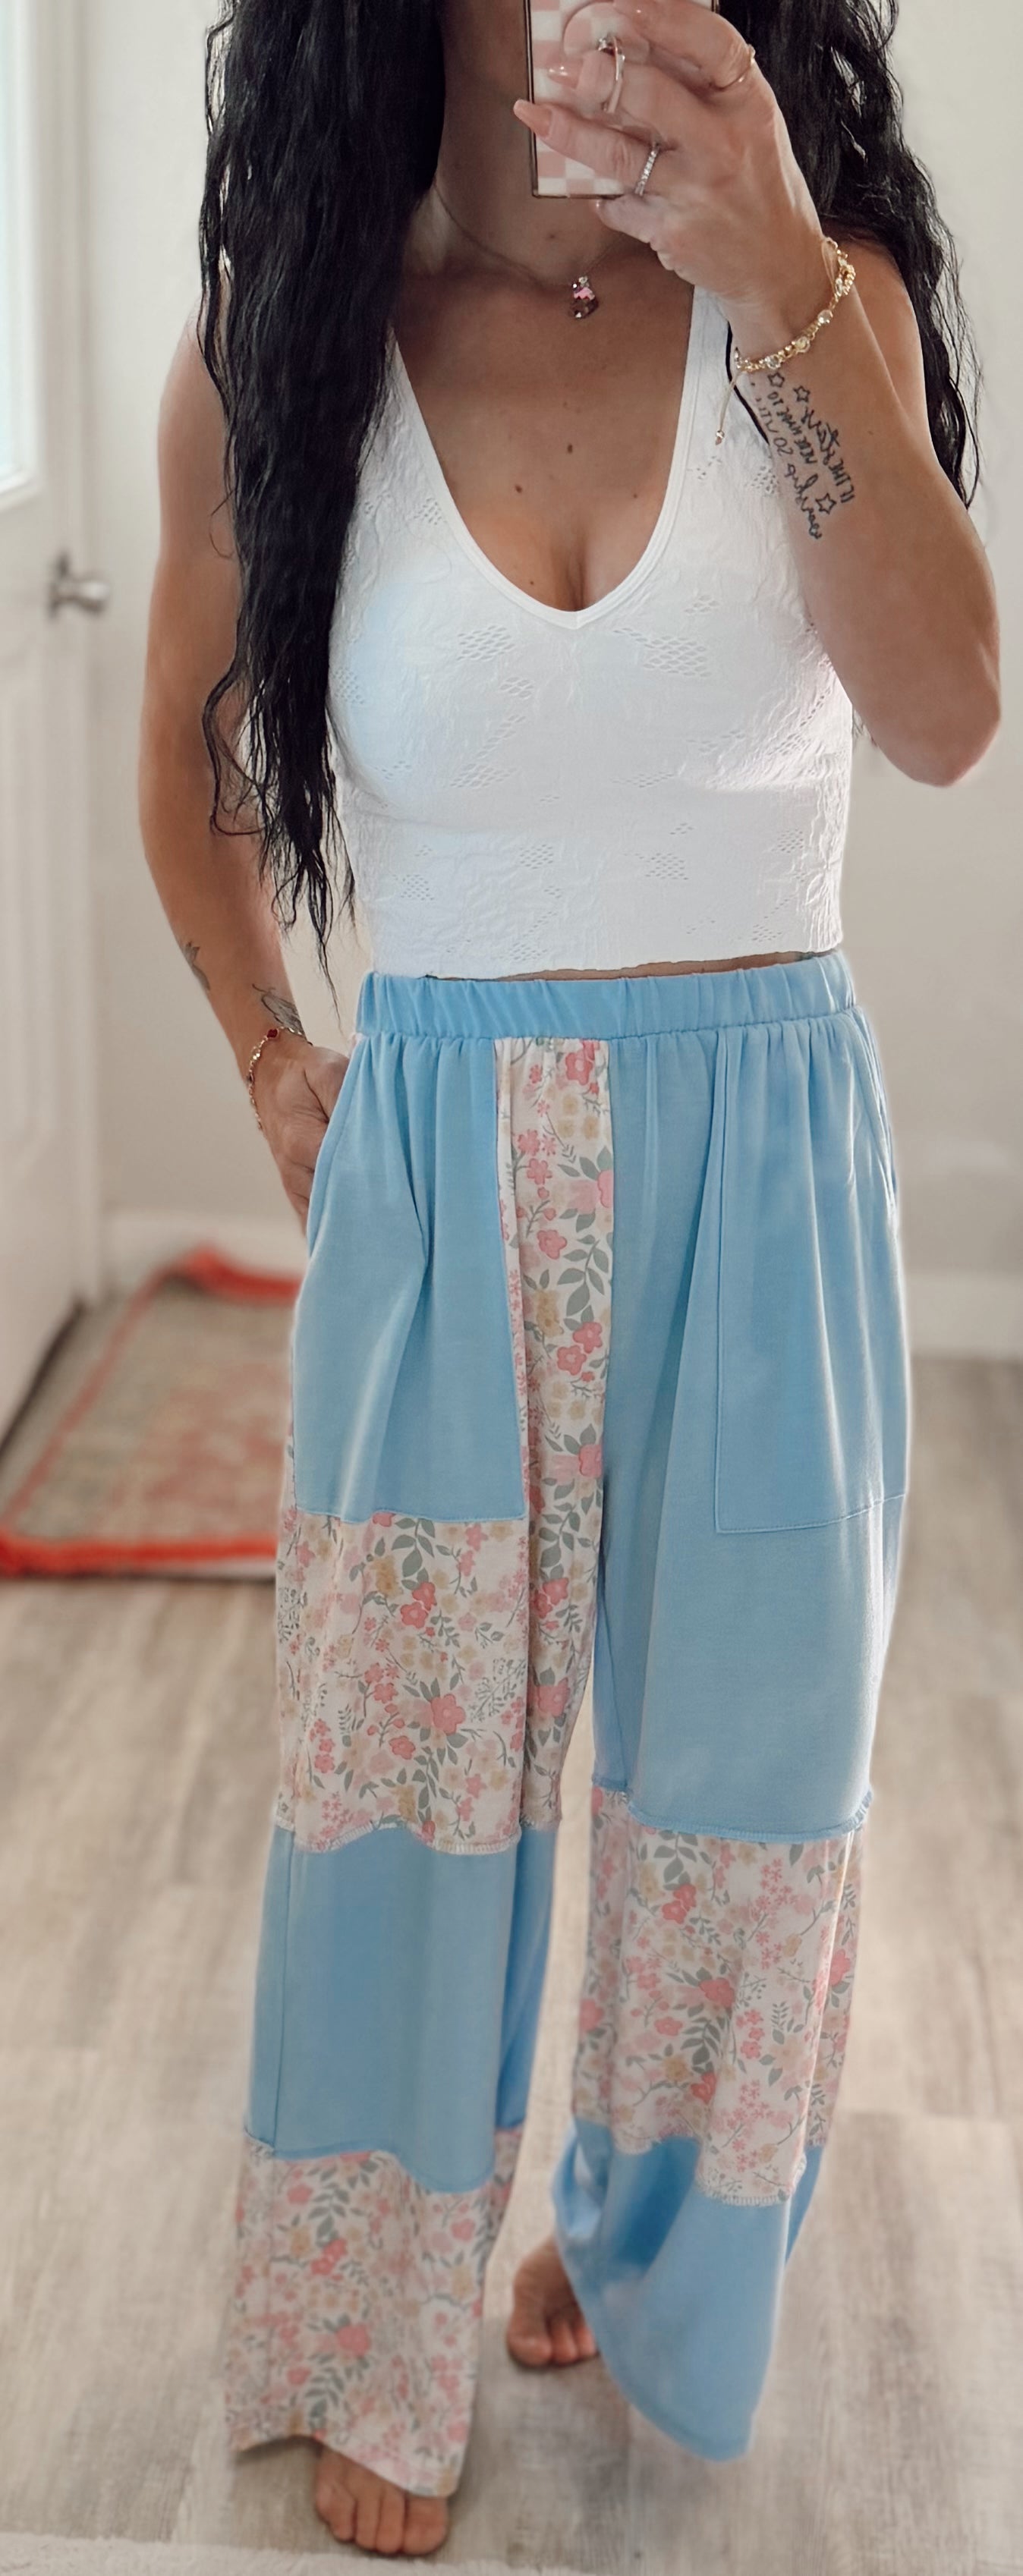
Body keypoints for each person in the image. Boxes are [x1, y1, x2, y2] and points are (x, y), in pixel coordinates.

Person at [138, 0, 999, 2555]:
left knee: (745, 1796)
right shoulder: (296, 336)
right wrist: (273, 1054)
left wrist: (774, 270)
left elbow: (946, 713)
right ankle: (370, 2320)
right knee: (401, 1794)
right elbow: (185, 751)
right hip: (439, 1163)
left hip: (768, 1158)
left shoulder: (817, 292)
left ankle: (634, 2248)